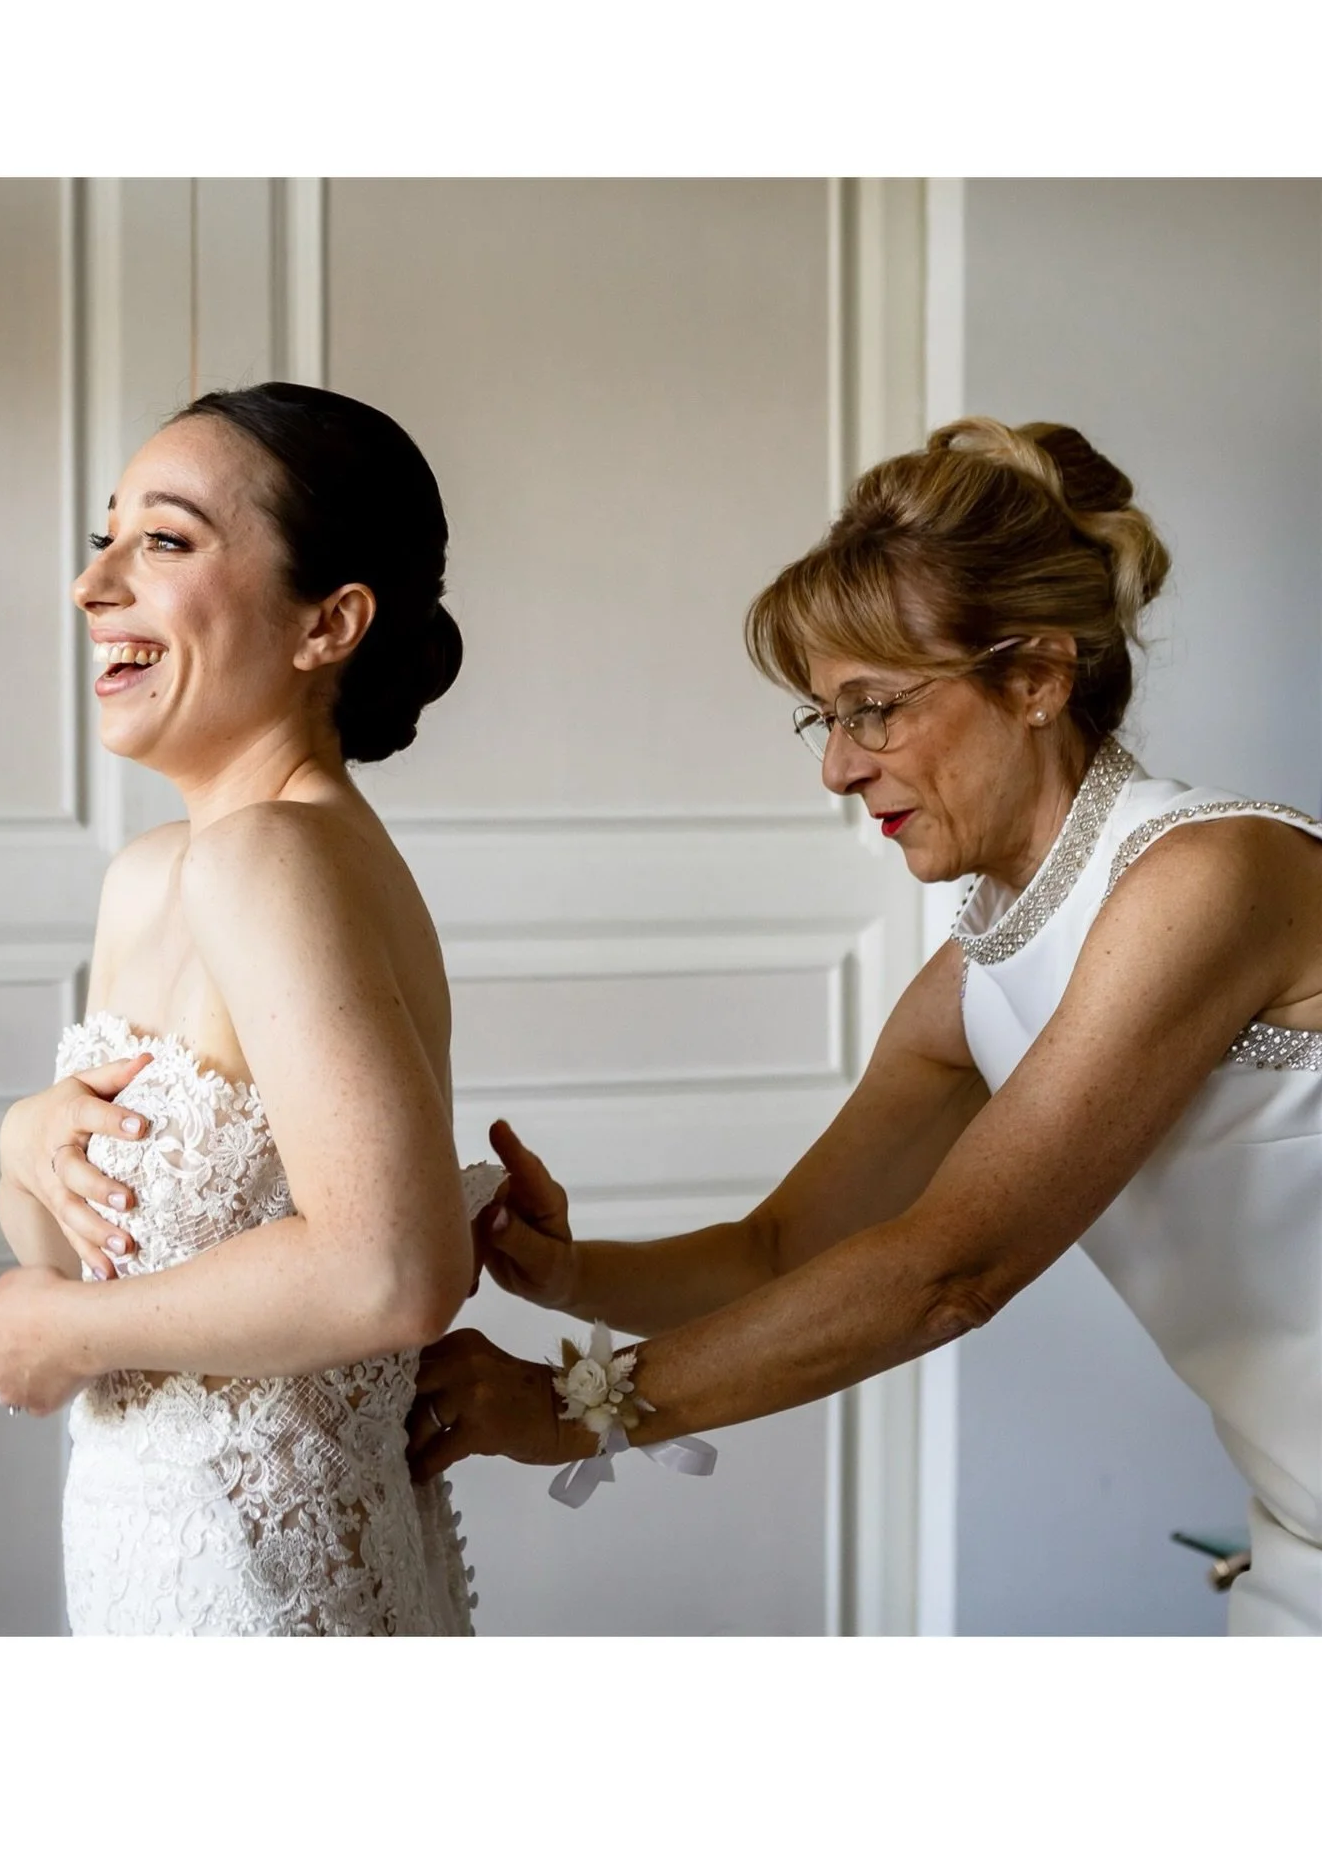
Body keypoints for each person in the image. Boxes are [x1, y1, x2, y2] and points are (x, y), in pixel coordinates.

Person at [408, 417, 1322, 1636]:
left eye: (874, 710)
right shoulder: (972, 978)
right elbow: (783, 1252)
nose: (837, 767)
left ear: (1039, 679)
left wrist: (585, 1406)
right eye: (822, 719)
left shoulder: (1209, 875)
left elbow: (951, 1270)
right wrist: (573, 1276)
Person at [0, 382, 499, 1636]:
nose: (93, 587)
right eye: (102, 538)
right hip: (144, 1549)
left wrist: (77, 1335)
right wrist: (24, 1141)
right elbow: (66, 1251)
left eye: (165, 539)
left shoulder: (277, 861)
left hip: (262, 1585)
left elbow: (395, 1269)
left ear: (329, 623)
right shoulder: (158, 874)